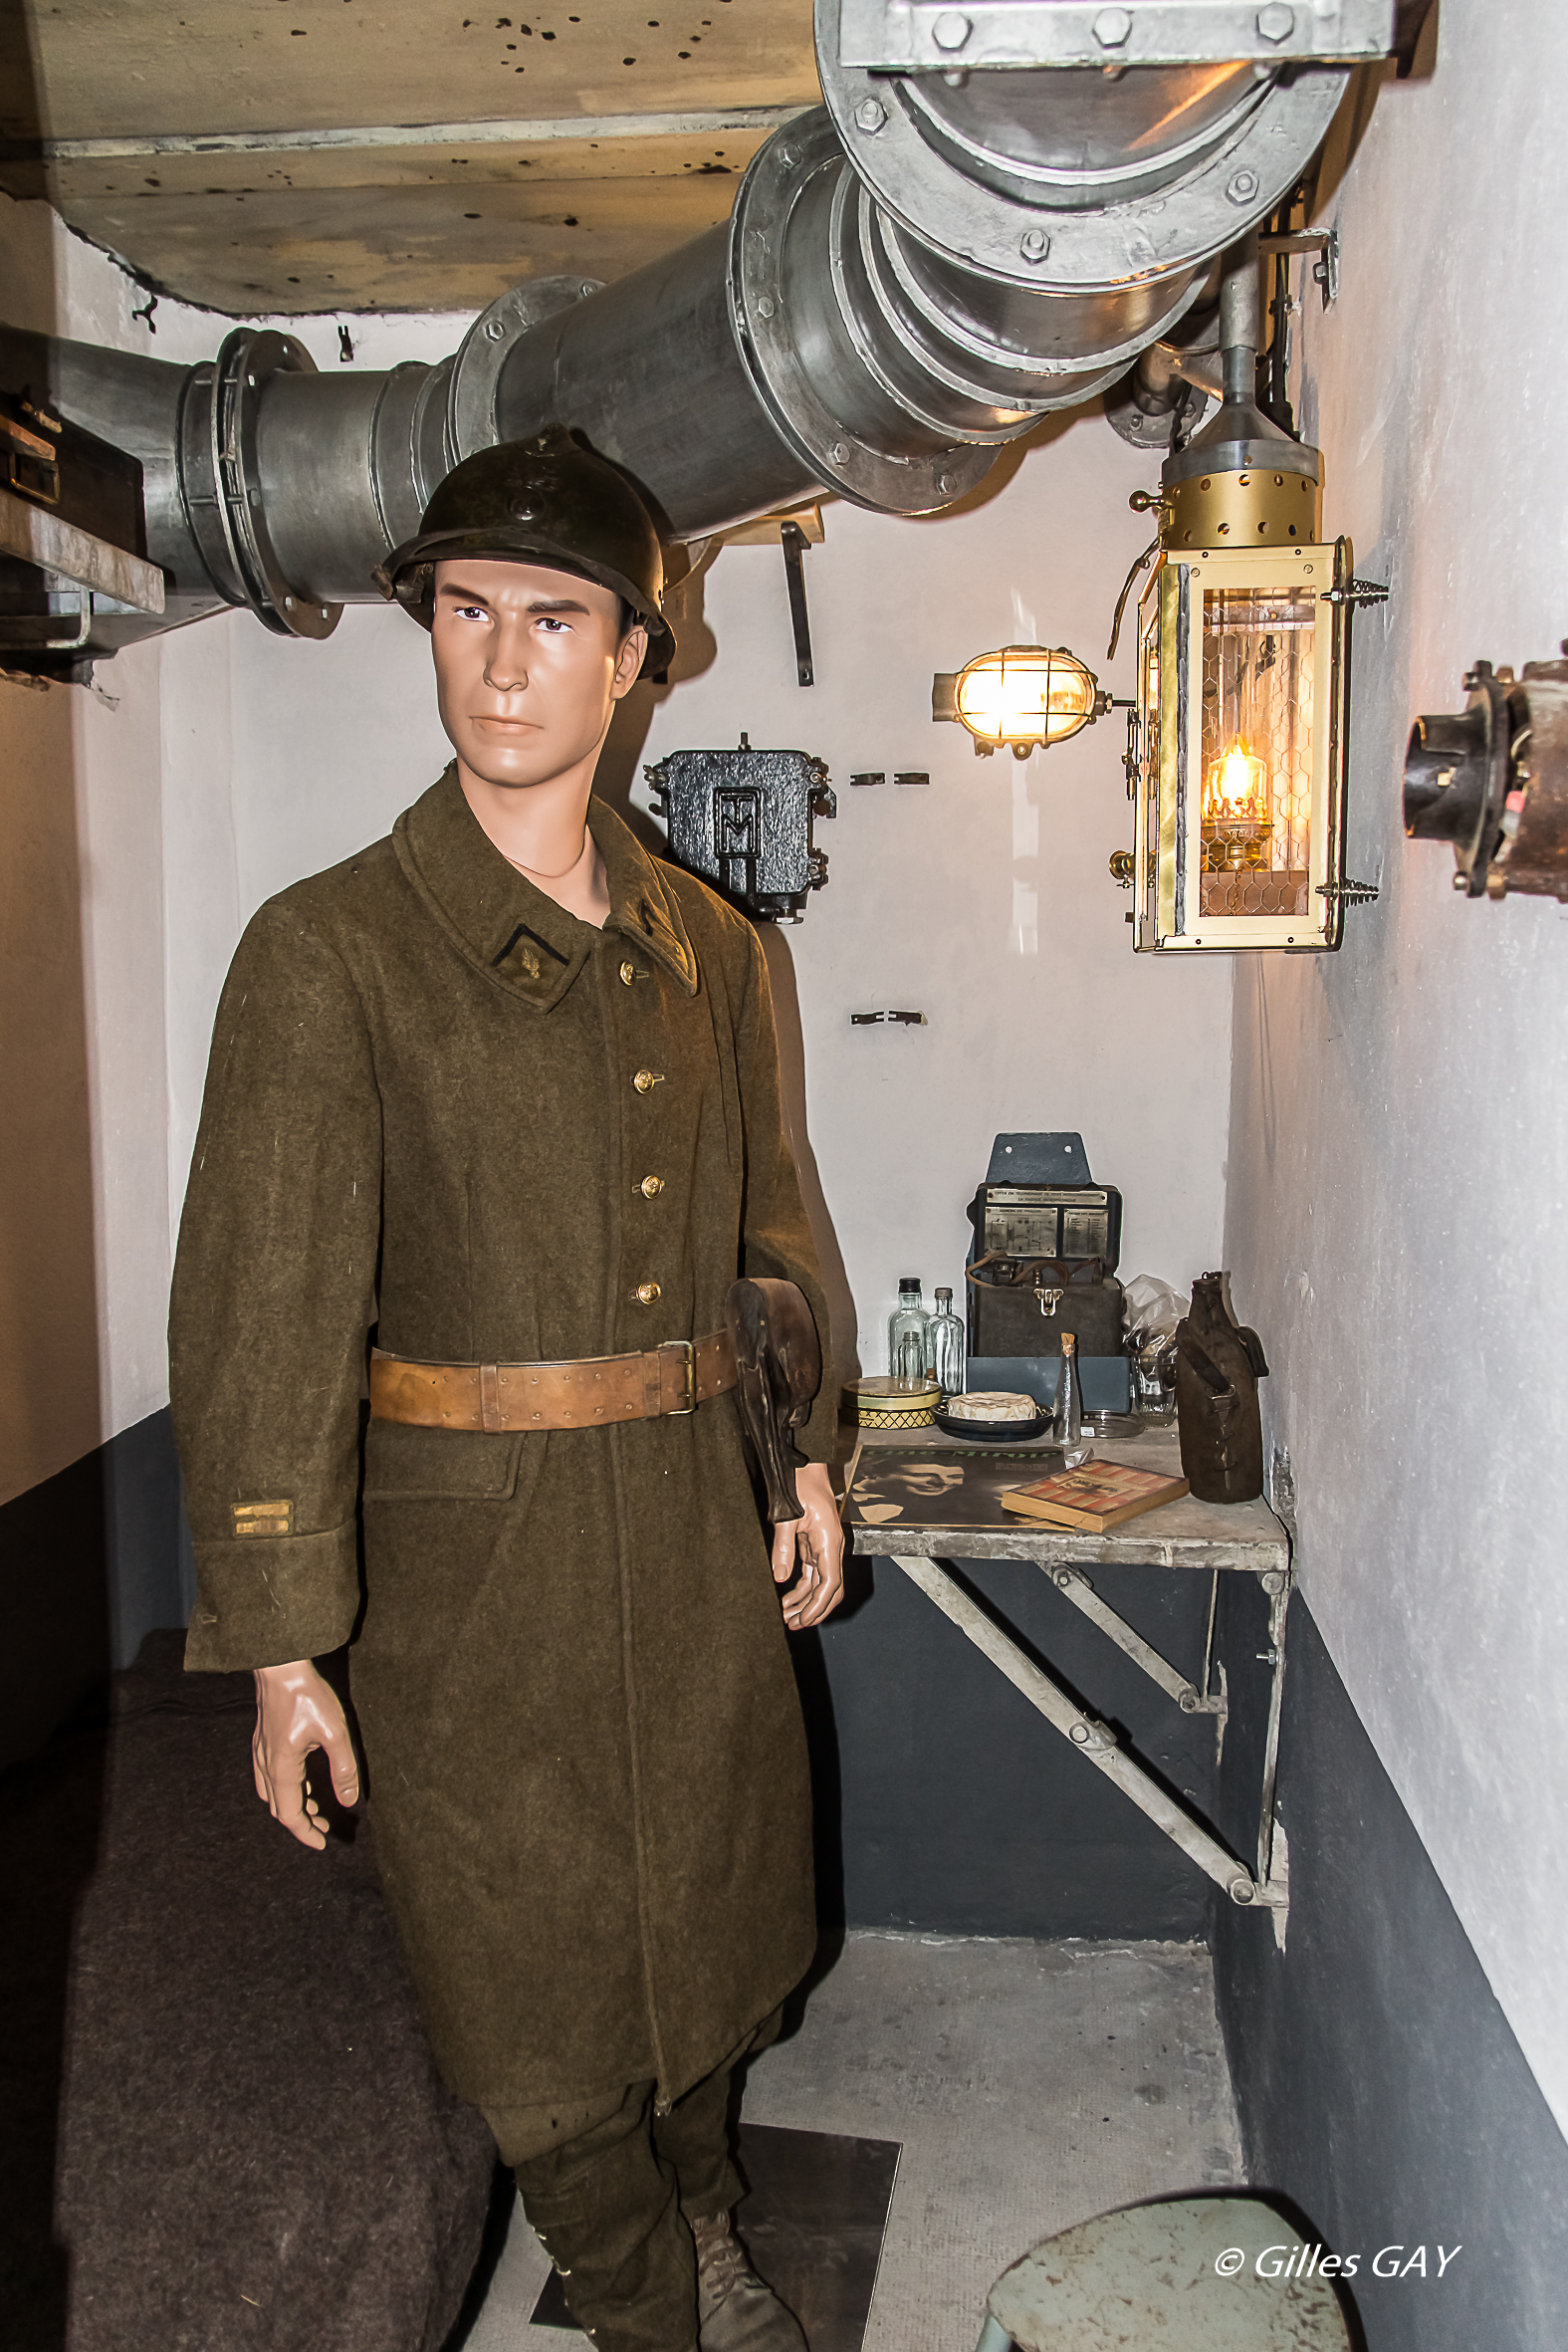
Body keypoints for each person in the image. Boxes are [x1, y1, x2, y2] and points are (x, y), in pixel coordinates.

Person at [169, 427, 845, 2352]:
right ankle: (641, 2299)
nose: (501, 661)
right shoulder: (328, 952)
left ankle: (705, 2213)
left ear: (632, 658)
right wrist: (284, 1644)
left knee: (711, 1932)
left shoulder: (718, 952)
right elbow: (264, 1312)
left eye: (554, 620)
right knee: (527, 2001)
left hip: (692, 1540)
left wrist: (804, 1461)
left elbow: (773, 1225)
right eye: (467, 612)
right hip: (469, 1590)